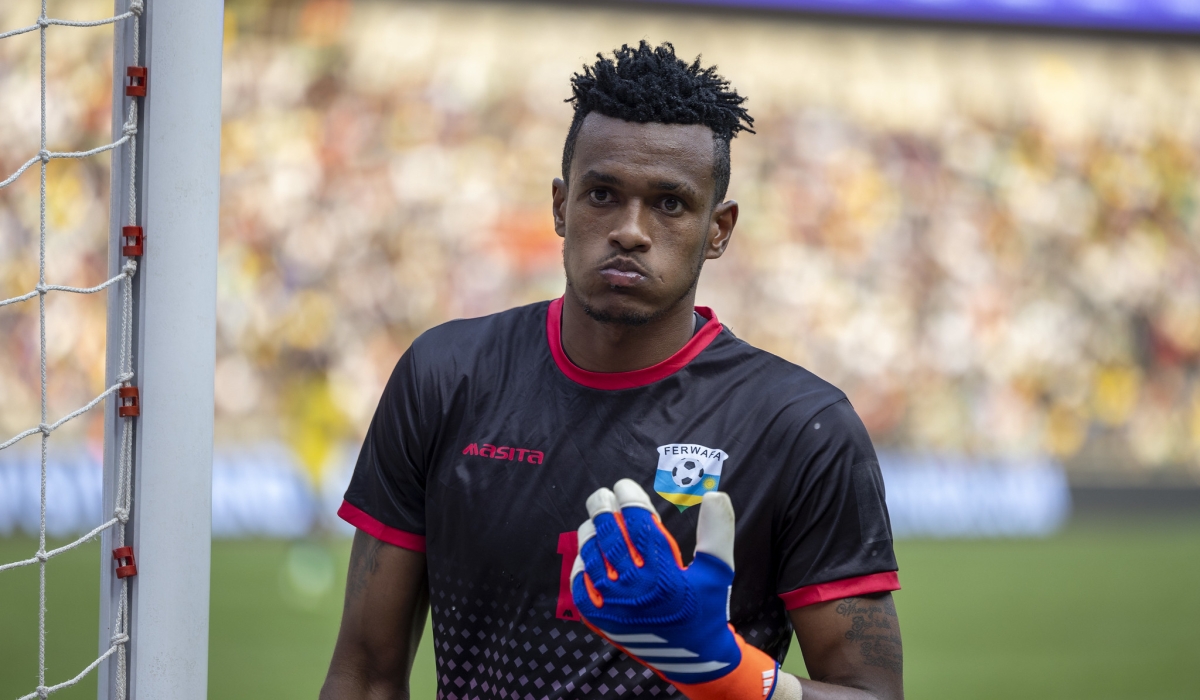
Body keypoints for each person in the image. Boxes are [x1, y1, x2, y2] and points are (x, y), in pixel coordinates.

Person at [321, 41, 902, 700]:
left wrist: (732, 673)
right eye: (603, 194)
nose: (630, 229)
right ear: (561, 206)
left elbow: (872, 693)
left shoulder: (801, 427)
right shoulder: (445, 376)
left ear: (720, 228)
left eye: (671, 204)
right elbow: (364, 677)